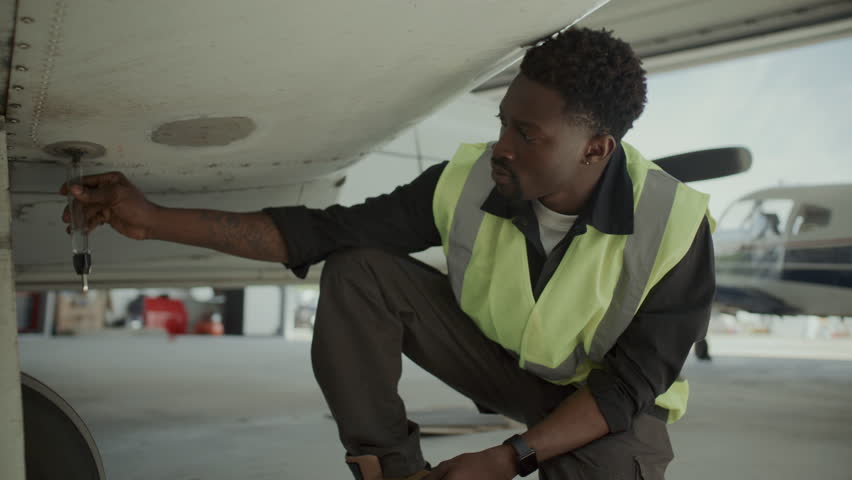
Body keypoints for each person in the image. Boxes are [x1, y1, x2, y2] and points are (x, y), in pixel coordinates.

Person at [61, 27, 715, 480]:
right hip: (503, 366)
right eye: (501, 123)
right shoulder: (469, 183)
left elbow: (628, 386)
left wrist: (509, 458)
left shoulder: (675, 226)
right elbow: (319, 233)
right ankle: (393, 474)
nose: (501, 148)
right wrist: (150, 219)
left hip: (602, 402)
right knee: (358, 268)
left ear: (595, 149)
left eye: (526, 133)